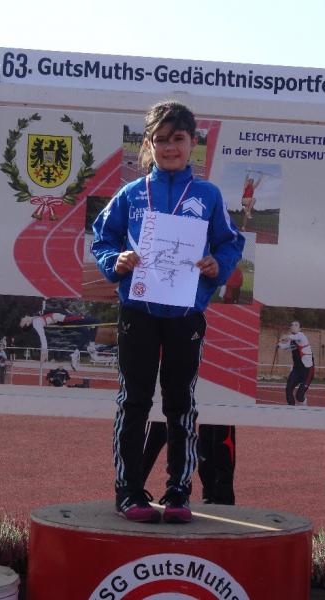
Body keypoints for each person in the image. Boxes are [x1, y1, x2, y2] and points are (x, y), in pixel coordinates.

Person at [92, 101, 245, 523]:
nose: (169, 147)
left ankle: (179, 490)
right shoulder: (131, 194)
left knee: (180, 403)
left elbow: (231, 242)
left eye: (178, 138)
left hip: (185, 313)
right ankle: (128, 491)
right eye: (160, 139)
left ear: (192, 142)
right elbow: (102, 238)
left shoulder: (208, 195)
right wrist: (115, 260)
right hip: (138, 310)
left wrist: (218, 265)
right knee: (134, 401)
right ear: (149, 144)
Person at [19, 312, 84, 363]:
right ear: (27, 324)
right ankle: (81, 317)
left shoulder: (35, 318)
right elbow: (42, 337)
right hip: (55, 316)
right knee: (68, 319)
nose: (23, 318)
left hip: (55, 315)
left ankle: (80, 317)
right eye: (22, 321)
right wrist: (44, 351)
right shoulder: (36, 323)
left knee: (69, 318)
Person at [278, 321, 315, 405]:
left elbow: (294, 337)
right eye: (292, 325)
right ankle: (291, 407)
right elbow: (285, 346)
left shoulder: (301, 336)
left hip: (307, 371)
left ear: (300, 328)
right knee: (288, 389)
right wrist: (279, 345)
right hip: (296, 370)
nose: (293, 326)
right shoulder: (291, 340)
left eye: (296, 325)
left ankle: (304, 402)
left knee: (299, 396)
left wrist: (285, 336)